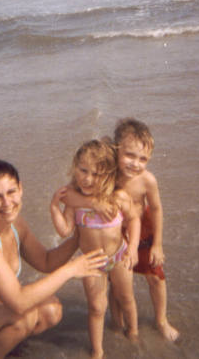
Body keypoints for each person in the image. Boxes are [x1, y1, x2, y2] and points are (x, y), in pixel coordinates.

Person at [0, 159, 108, 359]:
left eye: (11, 192)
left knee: (52, 309)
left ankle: (1, 346)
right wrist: (71, 270)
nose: (7, 203)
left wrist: (80, 236)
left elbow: (46, 261)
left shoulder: (16, 225)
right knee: (24, 315)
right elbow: (18, 302)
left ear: (21, 189)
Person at [65, 119, 179, 341]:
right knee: (117, 286)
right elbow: (70, 193)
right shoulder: (105, 172)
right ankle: (117, 325)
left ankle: (161, 320)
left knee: (155, 275)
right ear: (116, 150)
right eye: (129, 155)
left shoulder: (147, 180)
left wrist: (157, 244)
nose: (135, 164)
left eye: (143, 159)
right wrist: (94, 204)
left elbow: (156, 209)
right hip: (114, 231)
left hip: (142, 228)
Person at [50, 140, 140, 359]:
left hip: (118, 256)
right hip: (91, 262)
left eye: (96, 174)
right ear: (75, 167)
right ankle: (97, 351)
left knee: (126, 298)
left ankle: (134, 334)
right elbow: (64, 230)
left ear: (108, 175)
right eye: (83, 170)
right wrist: (53, 207)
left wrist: (133, 248)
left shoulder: (117, 197)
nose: (87, 178)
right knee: (97, 308)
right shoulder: (73, 201)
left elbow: (134, 219)